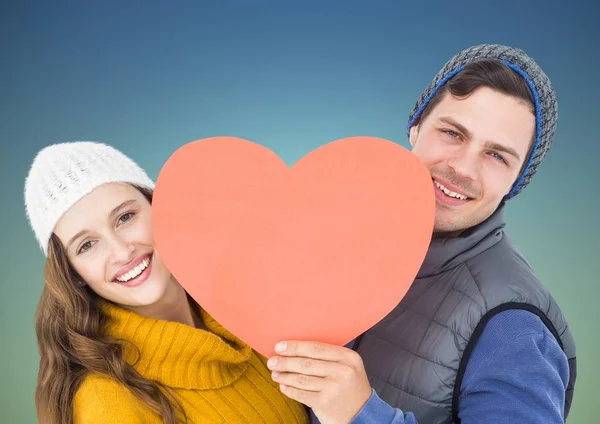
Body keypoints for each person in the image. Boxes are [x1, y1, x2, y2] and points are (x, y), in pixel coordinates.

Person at [265, 44, 576, 424]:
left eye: (497, 156)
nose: (462, 168)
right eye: (452, 133)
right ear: (415, 128)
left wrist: (361, 414)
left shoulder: (514, 328)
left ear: (516, 181)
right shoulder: (335, 239)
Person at [24, 141, 310, 424]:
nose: (122, 251)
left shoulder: (257, 320)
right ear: (73, 274)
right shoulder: (107, 403)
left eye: (125, 217)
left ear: (158, 207)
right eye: (87, 245)